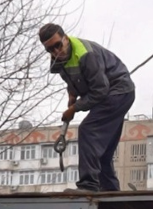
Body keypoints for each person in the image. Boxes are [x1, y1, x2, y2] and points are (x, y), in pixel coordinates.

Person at [39, 23, 135, 193]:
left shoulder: (85, 54)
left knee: (88, 130)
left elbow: (100, 90)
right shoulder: (57, 61)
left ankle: (89, 185)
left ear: (66, 39)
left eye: (57, 45)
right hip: (109, 95)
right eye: (50, 49)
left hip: (118, 92)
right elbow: (73, 79)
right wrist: (71, 96)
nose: (55, 52)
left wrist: (74, 108)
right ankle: (111, 192)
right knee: (103, 150)